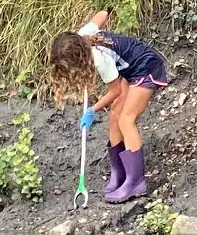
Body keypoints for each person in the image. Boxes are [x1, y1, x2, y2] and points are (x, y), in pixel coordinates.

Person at [49, 12, 169, 203]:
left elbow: (115, 91)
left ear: (78, 57)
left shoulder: (99, 58)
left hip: (146, 68)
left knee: (126, 120)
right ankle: (119, 173)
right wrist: (108, 10)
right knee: (114, 116)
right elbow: (101, 16)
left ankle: (136, 181)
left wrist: (92, 110)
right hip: (130, 71)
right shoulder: (83, 34)